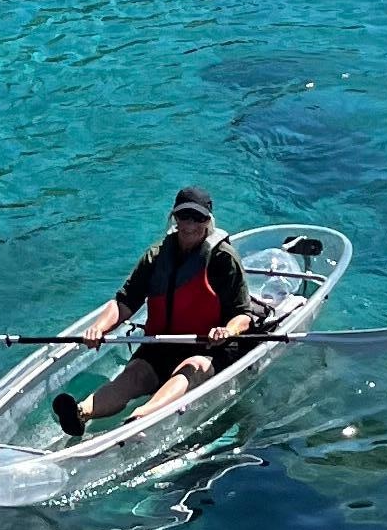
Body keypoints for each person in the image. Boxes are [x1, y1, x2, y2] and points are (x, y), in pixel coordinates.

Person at [54, 188, 258, 440]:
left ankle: (141, 417)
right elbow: (125, 301)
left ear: (208, 221)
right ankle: (81, 412)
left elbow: (243, 315)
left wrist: (227, 331)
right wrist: (99, 328)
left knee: (191, 369)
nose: (190, 225)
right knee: (134, 375)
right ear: (175, 218)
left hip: (208, 346)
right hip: (163, 342)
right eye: (184, 217)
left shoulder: (223, 259)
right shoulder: (156, 256)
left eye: (198, 218)